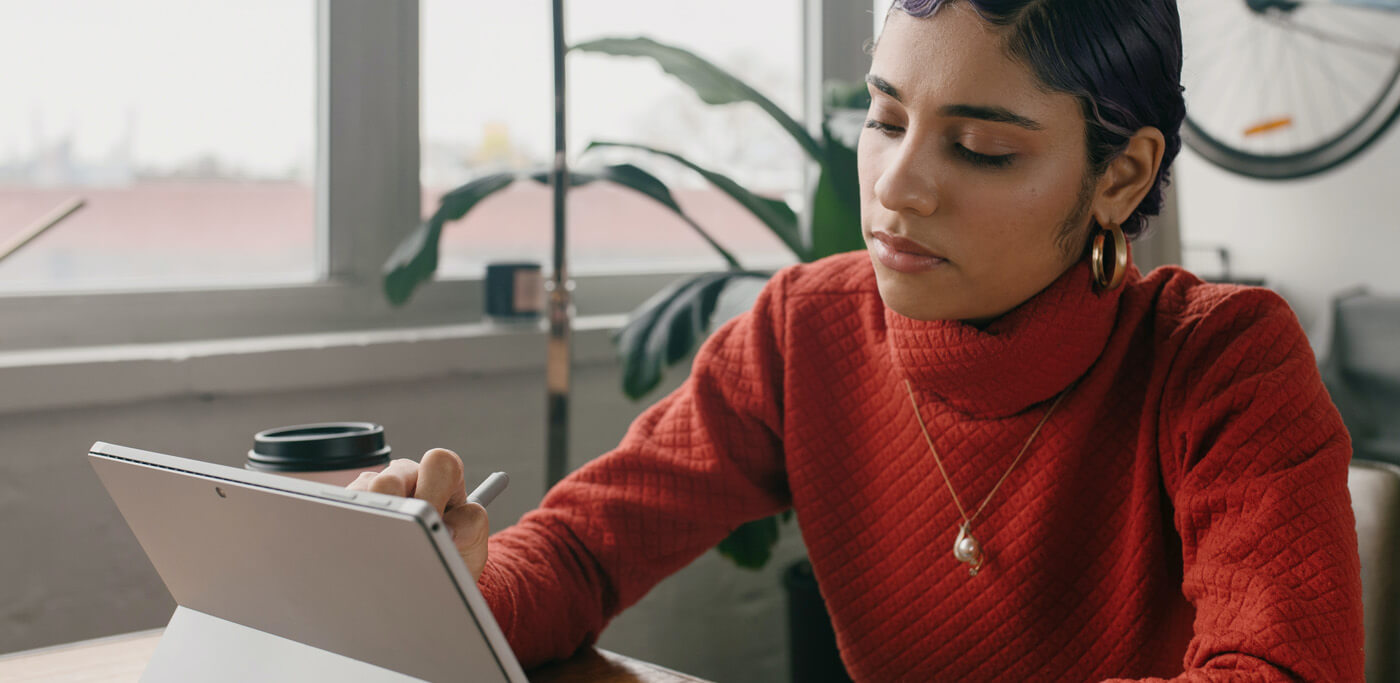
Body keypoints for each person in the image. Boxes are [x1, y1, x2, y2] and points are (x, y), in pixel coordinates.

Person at [351, 0, 1365, 679]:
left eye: (977, 146)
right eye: (883, 121)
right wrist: (454, 578)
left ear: (1120, 176)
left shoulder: (1223, 361)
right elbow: (580, 547)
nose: (894, 186)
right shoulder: (807, 329)